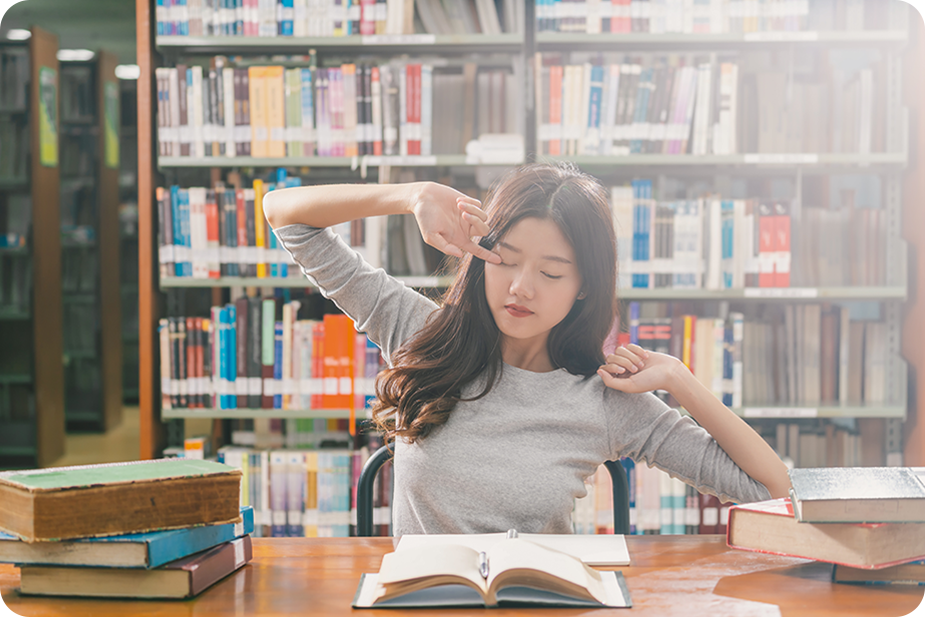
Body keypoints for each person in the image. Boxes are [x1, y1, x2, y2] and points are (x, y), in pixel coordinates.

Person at [263, 162, 791, 535]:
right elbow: (284, 213)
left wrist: (680, 380)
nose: (521, 287)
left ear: (584, 284)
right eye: (507, 259)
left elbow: (771, 489)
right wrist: (410, 195)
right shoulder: (420, 330)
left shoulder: (607, 398)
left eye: (550, 272)